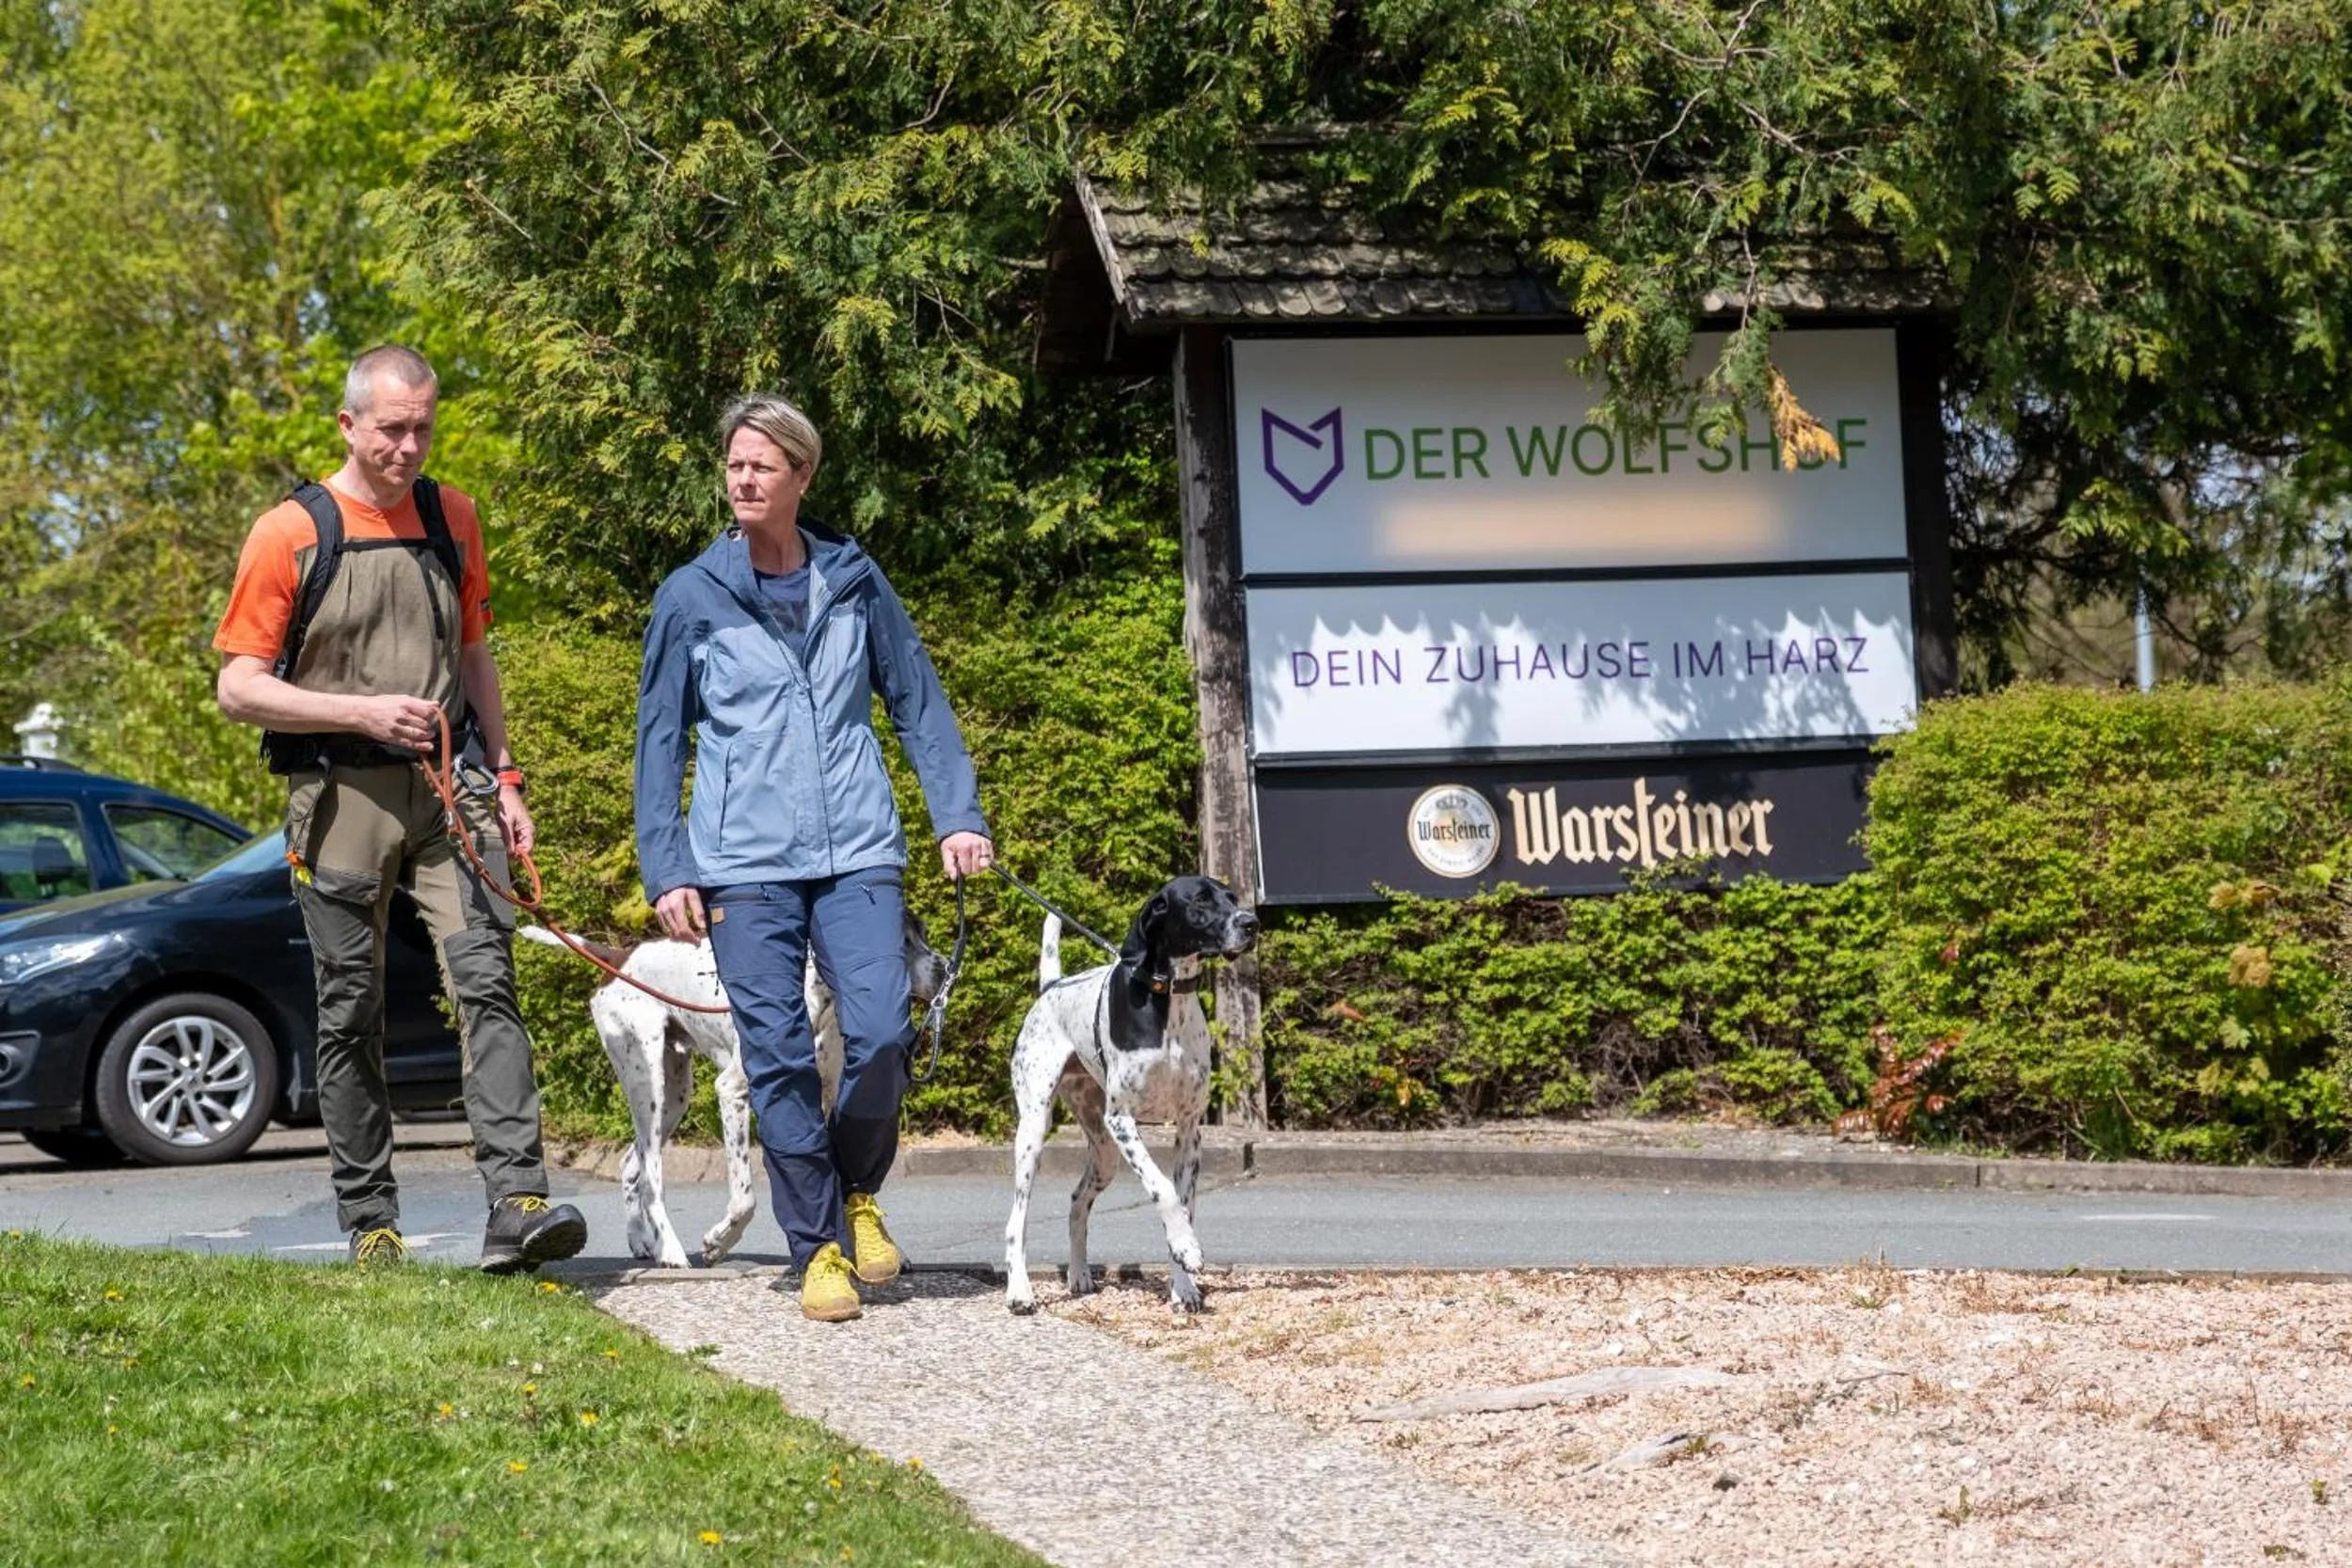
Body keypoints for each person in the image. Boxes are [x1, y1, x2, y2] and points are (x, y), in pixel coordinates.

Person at [215, 343, 587, 1274]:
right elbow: (238, 687)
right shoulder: (287, 532)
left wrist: (504, 778)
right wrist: (357, 710)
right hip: (339, 794)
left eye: (422, 426)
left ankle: (519, 1203)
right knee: (349, 1007)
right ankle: (372, 1221)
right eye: (391, 428)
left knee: (488, 983)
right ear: (348, 425)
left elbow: (474, 655)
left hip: (447, 791)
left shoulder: (452, 515)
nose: (408, 445)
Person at [635, 391, 992, 1323]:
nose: (742, 478)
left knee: (879, 1031)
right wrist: (668, 866)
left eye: (762, 465)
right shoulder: (691, 596)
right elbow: (659, 743)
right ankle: (818, 1245)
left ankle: (858, 1189)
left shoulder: (855, 578)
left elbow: (917, 701)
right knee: (779, 1053)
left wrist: (956, 813)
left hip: (858, 848)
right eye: (734, 463)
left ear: (802, 474)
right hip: (742, 862)